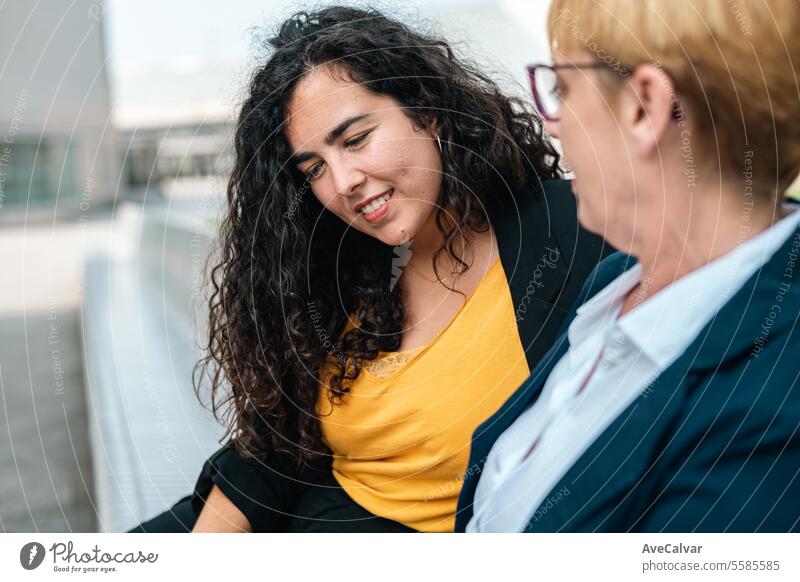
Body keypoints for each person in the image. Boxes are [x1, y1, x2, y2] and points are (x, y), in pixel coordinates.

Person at [130, 6, 607, 533]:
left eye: (355, 140)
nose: (342, 182)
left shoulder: (572, 231)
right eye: (314, 168)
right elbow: (276, 447)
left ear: (427, 111)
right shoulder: (343, 270)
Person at [456, 0, 800, 532]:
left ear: (645, 106)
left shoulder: (775, 395)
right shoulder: (617, 278)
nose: (553, 126)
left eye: (563, 89)